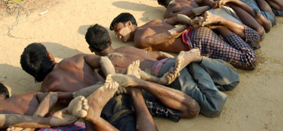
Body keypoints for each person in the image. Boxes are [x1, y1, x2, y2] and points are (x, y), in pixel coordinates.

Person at [20, 43, 197, 130]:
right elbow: (104, 59)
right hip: (118, 88)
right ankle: (135, 85)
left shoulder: (47, 88)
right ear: (50, 56)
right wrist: (110, 77)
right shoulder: (75, 59)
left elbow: (70, 97)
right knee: (191, 109)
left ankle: (131, 86)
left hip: (109, 107)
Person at [85, 24, 238, 118]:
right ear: (111, 41)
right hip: (171, 61)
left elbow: (135, 75)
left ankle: (190, 60)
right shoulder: (128, 48)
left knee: (213, 107)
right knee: (231, 81)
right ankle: (195, 59)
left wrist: (161, 80)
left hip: (165, 72)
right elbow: (158, 54)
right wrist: (176, 61)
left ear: (91, 49)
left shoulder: (108, 63)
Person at [110, 12, 259, 70]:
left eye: (117, 30)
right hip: (196, 33)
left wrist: (187, 24)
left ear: (128, 23)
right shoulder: (153, 21)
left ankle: (220, 21)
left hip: (197, 40)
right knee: (253, 38)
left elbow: (168, 35)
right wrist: (189, 22)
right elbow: (176, 18)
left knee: (249, 60)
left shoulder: (139, 39)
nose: (117, 35)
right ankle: (222, 24)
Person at [0, 80, 124, 131]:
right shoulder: (28, 96)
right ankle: (91, 114)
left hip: (49, 125)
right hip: (65, 124)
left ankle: (90, 113)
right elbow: (52, 95)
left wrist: (38, 123)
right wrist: (38, 118)